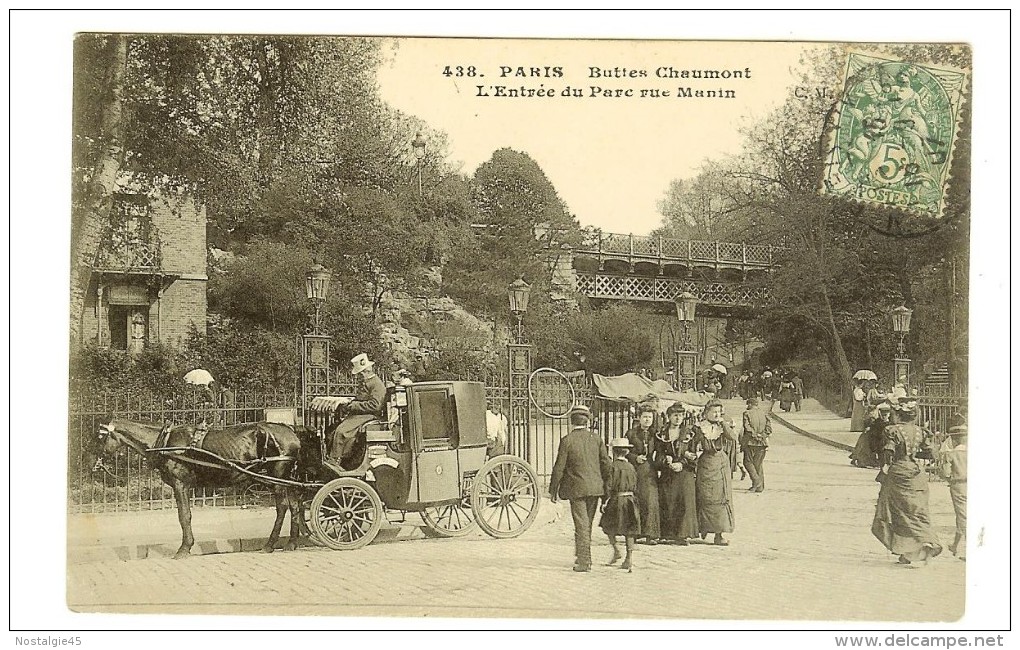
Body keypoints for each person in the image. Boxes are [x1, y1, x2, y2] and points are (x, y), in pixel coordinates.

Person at [871, 398, 943, 566]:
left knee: (898, 514)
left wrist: (885, 466)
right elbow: (931, 454)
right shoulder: (921, 432)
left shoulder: (892, 431)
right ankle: (912, 551)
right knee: (917, 511)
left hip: (899, 472)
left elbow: (888, 451)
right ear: (914, 416)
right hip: (917, 474)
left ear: (898, 415)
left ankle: (911, 548)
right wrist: (915, 454)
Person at [549, 405, 611, 573]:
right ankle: (582, 555)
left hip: (576, 489)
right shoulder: (596, 439)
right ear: (587, 421)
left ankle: (584, 561)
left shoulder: (567, 440)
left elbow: (559, 468)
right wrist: (607, 488)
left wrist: (553, 490)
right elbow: (606, 465)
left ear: (571, 421)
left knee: (581, 525)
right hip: (596, 488)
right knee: (587, 524)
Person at [328, 353, 387, 467]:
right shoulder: (368, 382)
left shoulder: (376, 384)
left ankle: (337, 459)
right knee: (334, 428)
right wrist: (350, 402)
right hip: (361, 414)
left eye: (359, 374)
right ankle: (337, 457)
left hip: (369, 415)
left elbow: (376, 405)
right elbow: (362, 398)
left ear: (365, 372)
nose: (358, 377)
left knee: (342, 431)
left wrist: (354, 406)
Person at [693, 399, 739, 545]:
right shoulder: (699, 427)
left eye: (719, 412)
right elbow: (692, 443)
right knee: (705, 497)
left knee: (721, 499)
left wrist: (723, 423)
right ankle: (704, 527)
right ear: (706, 413)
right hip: (705, 464)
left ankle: (719, 534)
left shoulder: (723, 427)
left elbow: (733, 437)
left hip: (720, 465)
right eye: (713, 412)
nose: (716, 414)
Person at [653, 404, 699, 544]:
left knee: (684, 501)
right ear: (669, 417)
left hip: (685, 473)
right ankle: (668, 533)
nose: (678, 418)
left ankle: (682, 535)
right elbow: (658, 454)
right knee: (668, 501)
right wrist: (666, 461)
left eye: (680, 415)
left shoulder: (689, 434)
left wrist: (682, 463)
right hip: (668, 473)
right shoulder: (662, 434)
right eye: (675, 415)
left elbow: (694, 454)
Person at [600, 438, 641, 571]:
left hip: (616, 500)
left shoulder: (612, 467)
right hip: (630, 500)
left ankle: (616, 550)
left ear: (613, 451)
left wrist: (604, 501)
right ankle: (629, 558)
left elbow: (608, 485)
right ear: (627, 451)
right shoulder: (631, 467)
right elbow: (635, 484)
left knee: (608, 526)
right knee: (630, 530)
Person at [625, 405, 662, 544]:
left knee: (650, 501)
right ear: (639, 418)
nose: (647, 420)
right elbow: (624, 451)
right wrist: (635, 458)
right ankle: (635, 532)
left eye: (650, 417)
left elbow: (661, 451)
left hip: (649, 470)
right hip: (635, 470)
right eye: (645, 417)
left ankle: (650, 534)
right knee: (636, 500)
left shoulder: (655, 434)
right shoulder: (631, 433)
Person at [939, 415, 967, 561]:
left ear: (954, 439)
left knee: (962, 515)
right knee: (963, 515)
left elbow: (945, 473)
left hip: (958, 486)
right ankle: (955, 545)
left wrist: (948, 478)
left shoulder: (951, 455)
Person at [740, 397, 771, 493]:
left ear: (750, 404)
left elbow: (747, 427)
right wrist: (762, 436)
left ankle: (756, 481)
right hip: (762, 443)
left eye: (747, 404)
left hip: (750, 442)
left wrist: (754, 435)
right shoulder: (764, 413)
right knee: (758, 464)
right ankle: (760, 487)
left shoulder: (747, 413)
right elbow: (769, 429)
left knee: (747, 462)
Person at [850, 400, 890, 468]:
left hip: (877, 437)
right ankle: (864, 460)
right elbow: (872, 428)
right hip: (872, 437)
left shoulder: (882, 421)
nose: (884, 417)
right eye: (883, 415)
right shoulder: (874, 420)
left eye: (885, 415)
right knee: (867, 448)